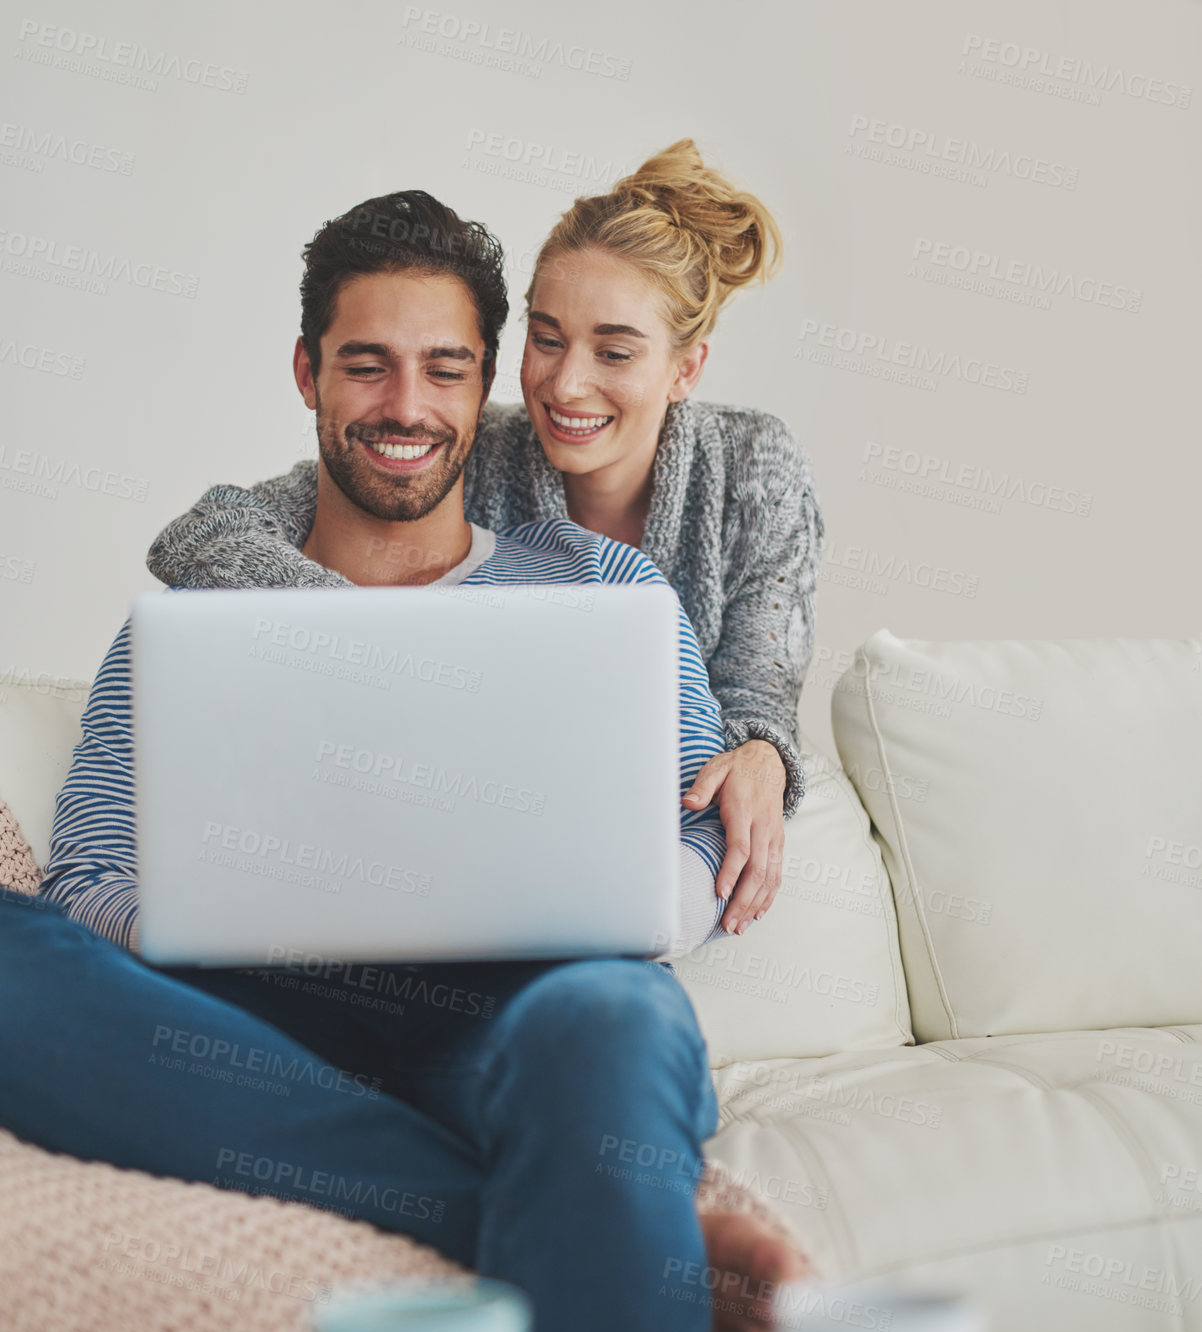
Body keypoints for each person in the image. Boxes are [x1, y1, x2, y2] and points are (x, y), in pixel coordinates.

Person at [0, 187, 804, 1332]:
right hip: (252, 1027)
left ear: (483, 389)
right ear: (307, 375)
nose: (403, 406)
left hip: (522, 1015)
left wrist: (654, 889)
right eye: (365, 365)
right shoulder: (192, 620)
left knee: (608, 1019)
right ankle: (596, 1224)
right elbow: (91, 870)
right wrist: (218, 918)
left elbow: (699, 835)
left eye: (443, 369)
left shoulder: (601, 585)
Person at [148, 139, 824, 938]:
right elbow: (214, 532)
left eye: (614, 351)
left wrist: (762, 754)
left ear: (685, 369)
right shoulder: (469, 449)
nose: (566, 384)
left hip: (643, 820)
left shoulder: (754, 466)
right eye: (546, 338)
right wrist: (359, 634)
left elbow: (758, 681)